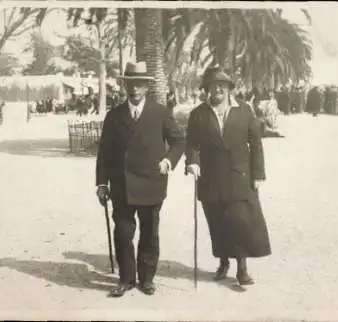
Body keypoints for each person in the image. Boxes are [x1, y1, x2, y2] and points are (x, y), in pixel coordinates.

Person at [95, 62, 185, 297]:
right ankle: (126, 279)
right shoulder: (114, 116)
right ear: (125, 86)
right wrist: (102, 183)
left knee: (149, 232)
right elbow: (104, 152)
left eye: (140, 84)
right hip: (121, 184)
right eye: (131, 84)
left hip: (151, 182)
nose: (135, 89)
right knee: (123, 233)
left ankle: (146, 279)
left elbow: (178, 141)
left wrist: (169, 161)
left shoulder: (160, 112)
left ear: (147, 87)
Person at [184, 67, 271, 286]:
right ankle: (223, 261)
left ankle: (242, 269)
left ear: (229, 88)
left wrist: (258, 173)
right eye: (213, 85)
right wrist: (192, 161)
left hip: (239, 176)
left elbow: (256, 143)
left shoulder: (244, 110)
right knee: (218, 221)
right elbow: (192, 143)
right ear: (207, 89)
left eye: (222, 85)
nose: (218, 89)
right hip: (211, 178)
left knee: (240, 221)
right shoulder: (199, 114)